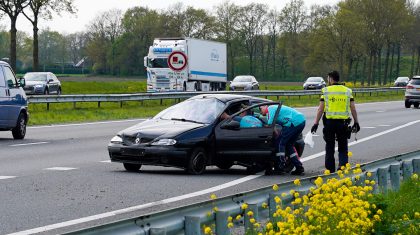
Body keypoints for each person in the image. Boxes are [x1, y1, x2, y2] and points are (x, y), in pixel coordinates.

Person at [311, 71, 360, 173]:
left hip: (329, 123)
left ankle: (330, 170)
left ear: (330, 79)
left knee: (329, 147)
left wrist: (316, 123)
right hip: (343, 123)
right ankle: (342, 168)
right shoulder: (347, 91)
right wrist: (356, 122)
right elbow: (353, 108)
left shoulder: (326, 91)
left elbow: (320, 109)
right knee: (343, 147)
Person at [259, 104, 306, 175]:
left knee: (280, 143)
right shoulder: (273, 110)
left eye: (260, 109)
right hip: (301, 120)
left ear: (265, 106)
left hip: (293, 122)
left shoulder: (270, 108)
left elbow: (270, 124)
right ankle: (299, 167)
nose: (260, 112)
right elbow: (273, 126)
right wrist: (277, 134)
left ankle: (280, 167)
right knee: (289, 145)